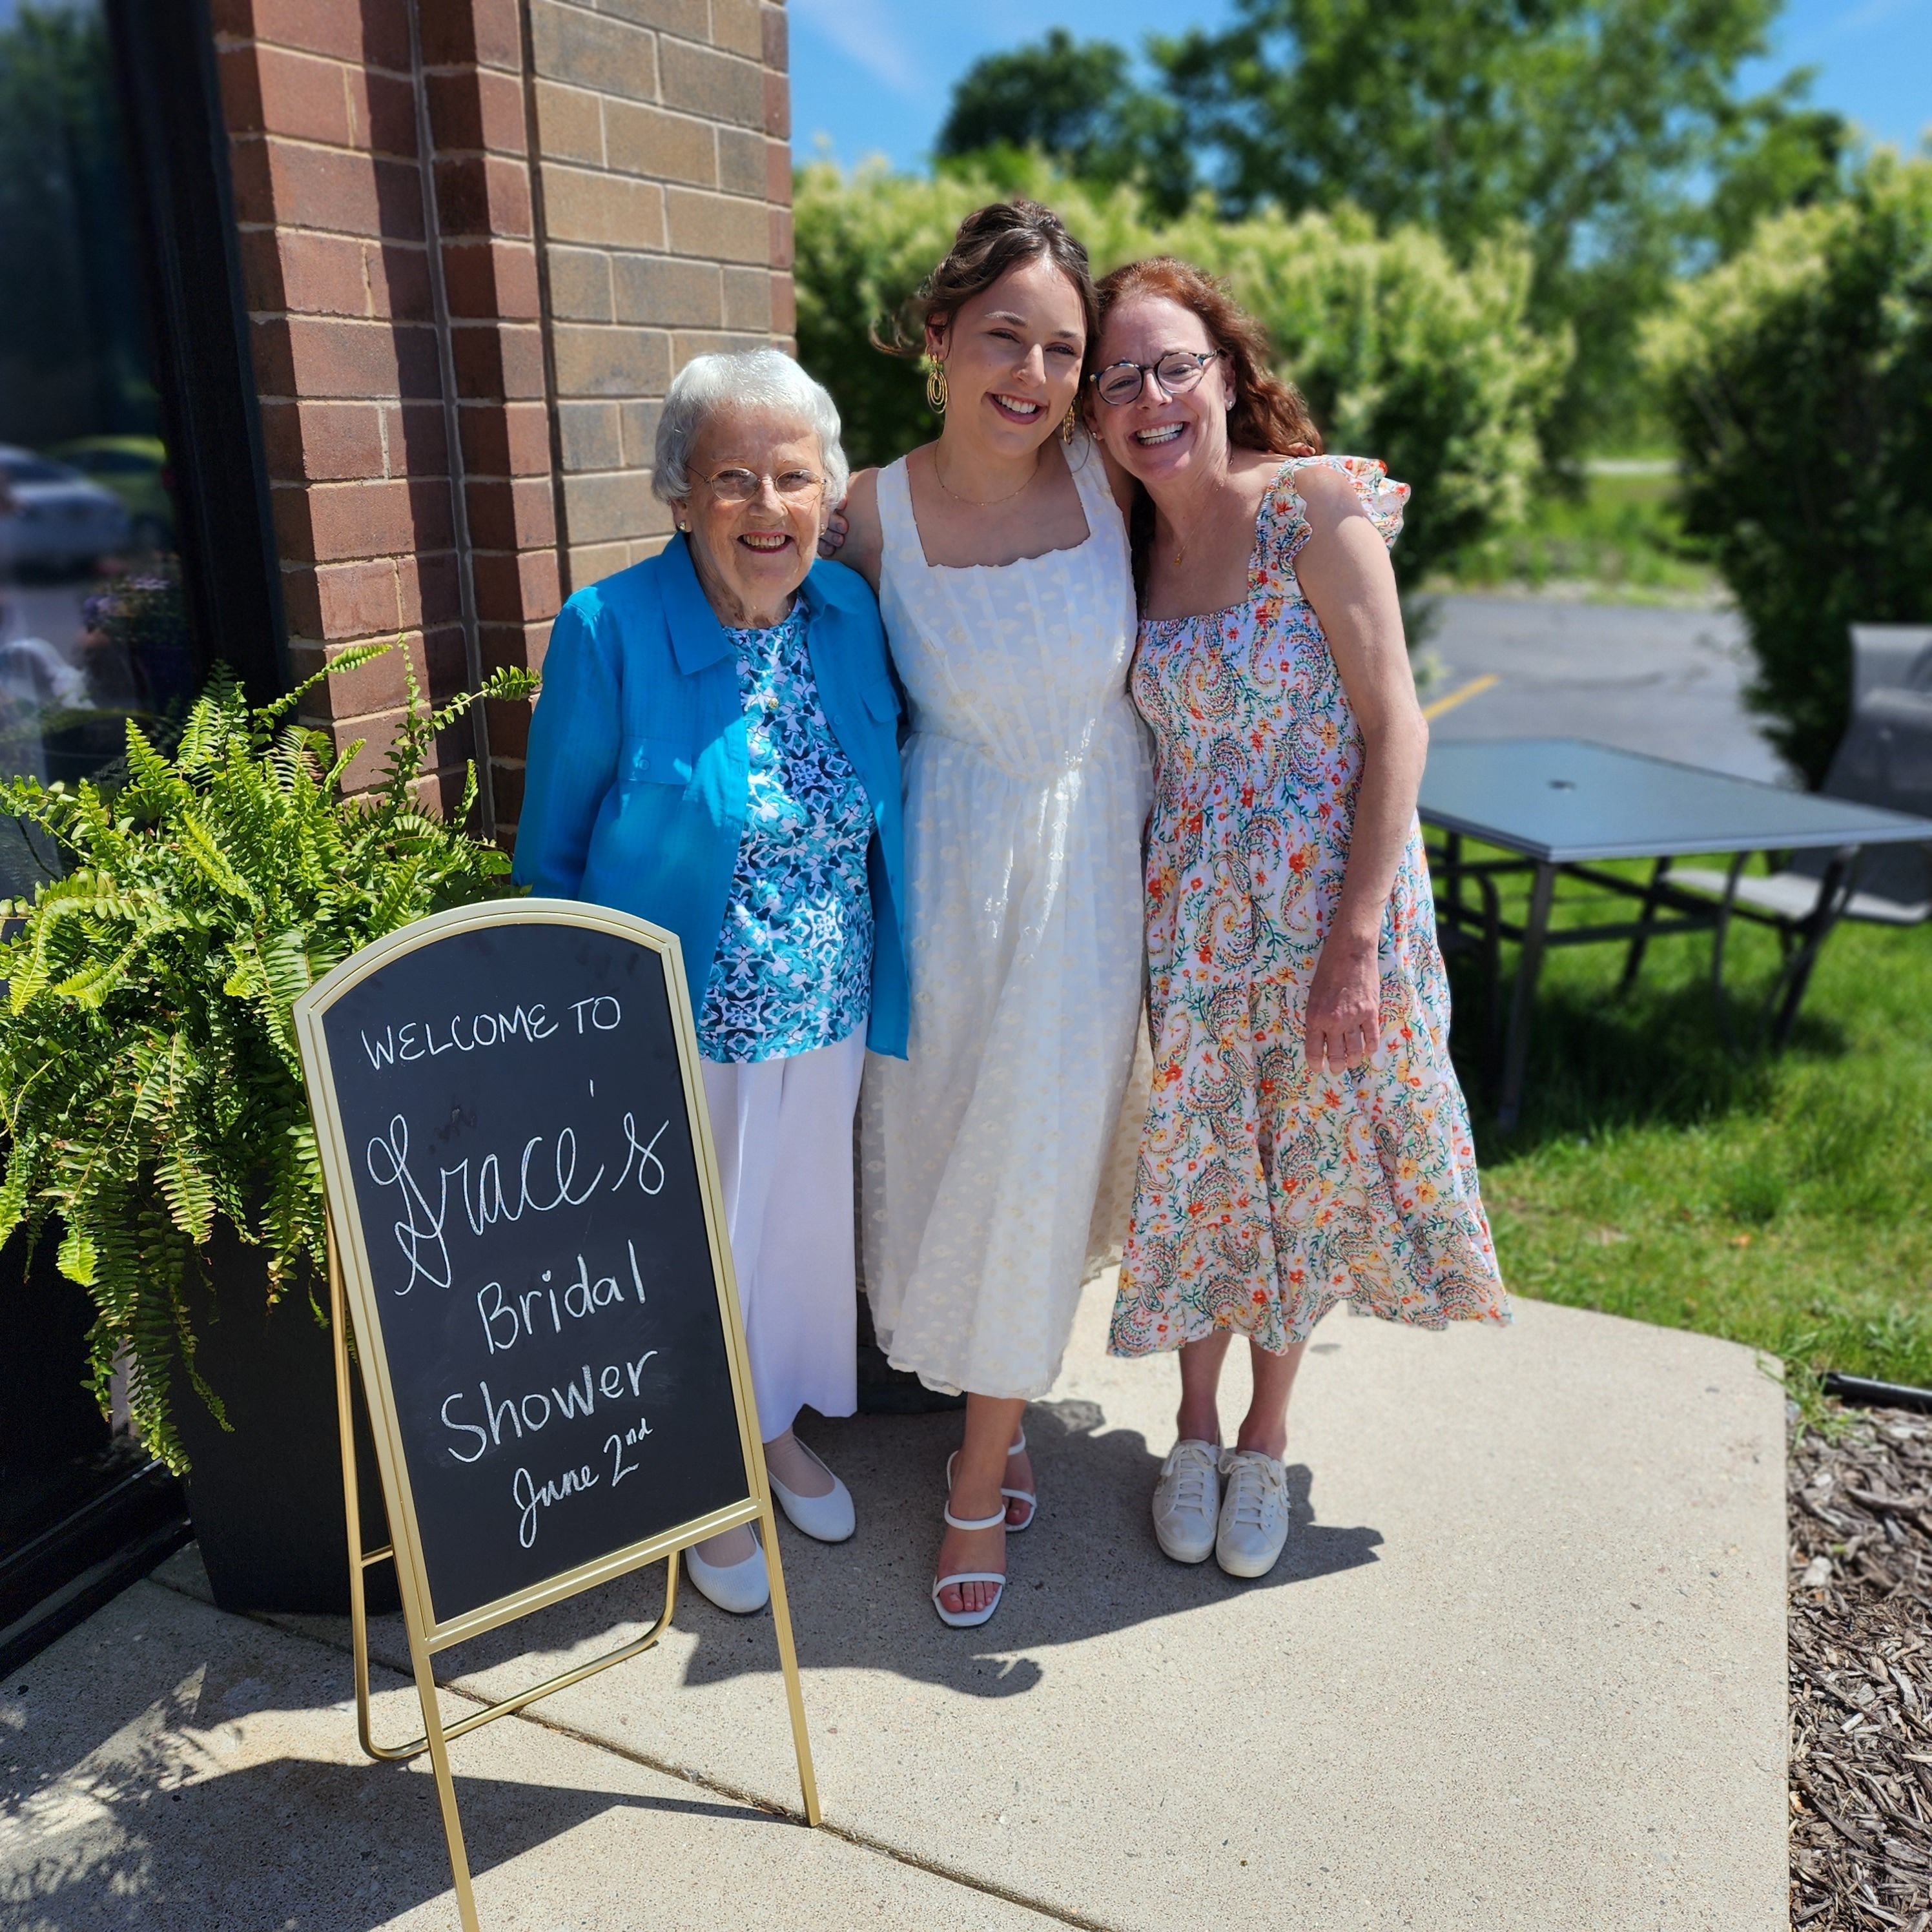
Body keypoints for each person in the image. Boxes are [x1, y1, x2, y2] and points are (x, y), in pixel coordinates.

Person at [1083, 258, 1508, 1583]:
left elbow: (1397, 728)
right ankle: (1191, 1429)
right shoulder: (1128, 545)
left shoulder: (1309, 509)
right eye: (1117, 379)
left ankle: (1265, 1436)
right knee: (1206, 1167)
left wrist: (1355, 943)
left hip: (1333, 915)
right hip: (1194, 923)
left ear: (1223, 371)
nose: (1148, 396)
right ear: (1093, 413)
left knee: (1306, 1175)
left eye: (1172, 366)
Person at [514, 349, 909, 1616]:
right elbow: (554, 852)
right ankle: (696, 1469)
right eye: (730, 476)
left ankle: (773, 1423)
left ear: (827, 497)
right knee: (690, 1252)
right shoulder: (608, 630)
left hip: (828, 1009)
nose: (765, 505)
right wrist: (566, 1027)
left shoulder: (845, 615)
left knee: (792, 1241)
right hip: (680, 1025)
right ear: (677, 493)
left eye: (793, 478)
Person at [832, 202, 1151, 1629]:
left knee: (1031, 1163)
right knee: (940, 1145)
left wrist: (1319, 487)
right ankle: (995, 1407)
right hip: (942, 880)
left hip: (1087, 872)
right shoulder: (863, 511)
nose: (1030, 370)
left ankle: (973, 1475)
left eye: (1062, 348)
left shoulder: (1106, 475)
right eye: (1004, 335)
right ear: (938, 335)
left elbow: (1232, 487)